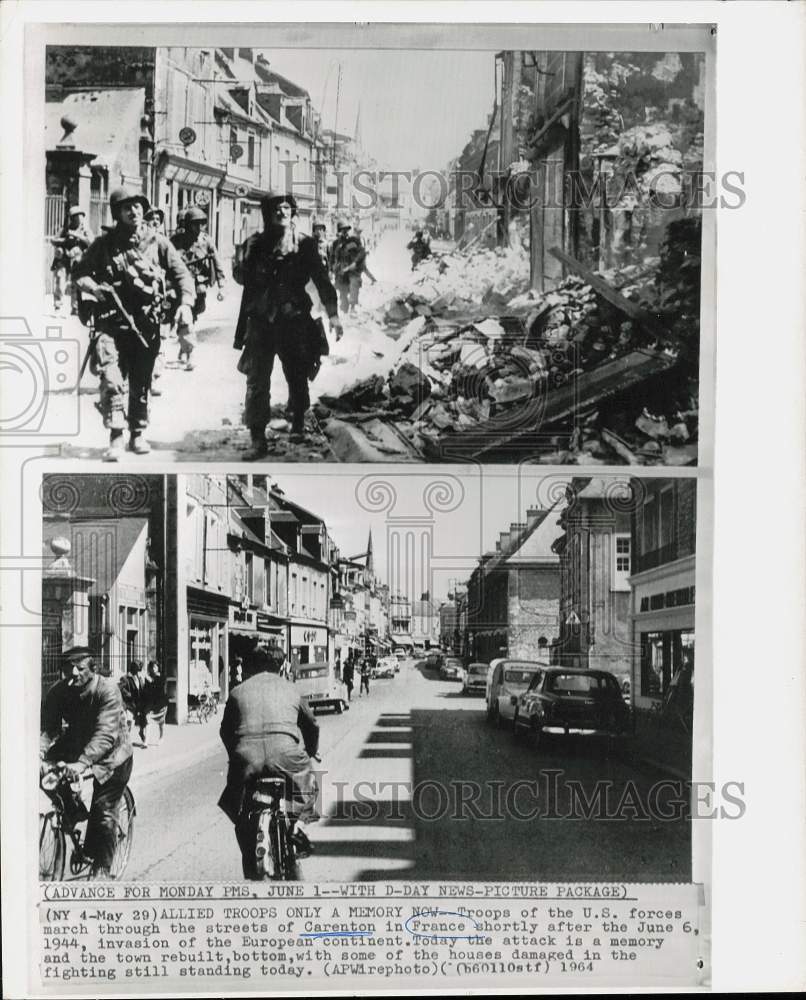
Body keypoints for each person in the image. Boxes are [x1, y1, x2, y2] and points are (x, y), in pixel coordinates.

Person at [73, 186, 195, 461]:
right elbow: (79, 273)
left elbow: (182, 275)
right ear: (117, 213)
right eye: (127, 207)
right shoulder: (103, 244)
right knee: (111, 378)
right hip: (110, 323)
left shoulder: (158, 243)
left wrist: (185, 304)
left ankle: (137, 432)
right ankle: (116, 435)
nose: (134, 211)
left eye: (138, 206)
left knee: (141, 382)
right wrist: (94, 289)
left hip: (145, 326)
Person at [232, 192, 343, 457]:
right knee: (257, 379)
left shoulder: (304, 244)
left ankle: (298, 421)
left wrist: (333, 315)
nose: (281, 212)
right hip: (261, 322)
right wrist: (241, 258)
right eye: (276, 208)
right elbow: (241, 278)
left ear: (293, 213)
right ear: (267, 214)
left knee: (297, 373)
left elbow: (322, 279)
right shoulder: (255, 243)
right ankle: (258, 438)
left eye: (286, 208)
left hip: (293, 321)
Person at [218, 646, 320, 877]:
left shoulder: (237, 692)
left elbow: (225, 731)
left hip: (246, 759)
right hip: (287, 757)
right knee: (311, 785)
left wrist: (236, 755)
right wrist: (311, 751)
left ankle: (249, 847)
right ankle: (299, 824)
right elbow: (311, 725)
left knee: (237, 803)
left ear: (252, 667)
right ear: (282, 666)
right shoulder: (292, 689)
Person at [40, 646, 133, 879]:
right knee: (44, 775)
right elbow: (49, 729)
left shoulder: (108, 690)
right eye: (68, 668)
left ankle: (103, 868)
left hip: (113, 755)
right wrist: (39, 753)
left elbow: (105, 734)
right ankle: (73, 811)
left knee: (103, 811)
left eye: (80, 668)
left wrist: (81, 764)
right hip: (78, 744)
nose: (73, 673)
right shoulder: (58, 691)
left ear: (93, 668)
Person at [171, 206, 226, 370]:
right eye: (194, 223)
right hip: (181, 285)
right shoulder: (176, 240)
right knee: (185, 317)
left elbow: (217, 262)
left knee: (193, 315)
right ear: (187, 224)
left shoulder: (206, 241)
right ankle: (189, 352)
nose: (198, 227)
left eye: (201, 223)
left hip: (199, 284)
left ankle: (184, 346)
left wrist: (221, 285)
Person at [50, 206, 93, 316]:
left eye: (80, 216)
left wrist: (76, 235)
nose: (78, 219)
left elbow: (91, 242)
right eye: (75, 217)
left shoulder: (85, 230)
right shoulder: (65, 229)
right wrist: (64, 241)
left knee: (76, 284)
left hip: (77, 259)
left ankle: (75, 307)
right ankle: (57, 306)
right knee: (60, 280)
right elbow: (53, 240)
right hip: (64, 259)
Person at [330, 221, 367, 313]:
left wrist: (355, 263)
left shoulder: (354, 240)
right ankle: (344, 309)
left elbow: (362, 252)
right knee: (342, 292)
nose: (345, 232)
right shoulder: (335, 243)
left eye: (347, 230)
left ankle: (353, 307)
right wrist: (331, 269)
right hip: (341, 270)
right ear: (339, 231)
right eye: (342, 230)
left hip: (352, 269)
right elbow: (332, 257)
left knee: (354, 285)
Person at [119, 660, 148, 747]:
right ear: (132, 668)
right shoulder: (125, 678)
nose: (138, 671)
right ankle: (125, 741)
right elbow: (120, 688)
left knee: (143, 721)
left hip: (138, 704)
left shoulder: (140, 678)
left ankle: (143, 736)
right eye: (137, 669)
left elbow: (142, 689)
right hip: (129, 704)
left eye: (139, 669)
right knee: (129, 721)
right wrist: (129, 695)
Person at [144, 660, 168, 746]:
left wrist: (150, 680)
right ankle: (146, 741)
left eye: (155, 667)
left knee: (161, 722)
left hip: (161, 703)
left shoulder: (162, 677)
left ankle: (161, 737)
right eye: (152, 667)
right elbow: (146, 689)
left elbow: (159, 687)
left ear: (158, 667)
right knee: (147, 719)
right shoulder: (148, 677)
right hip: (152, 703)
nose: (153, 669)